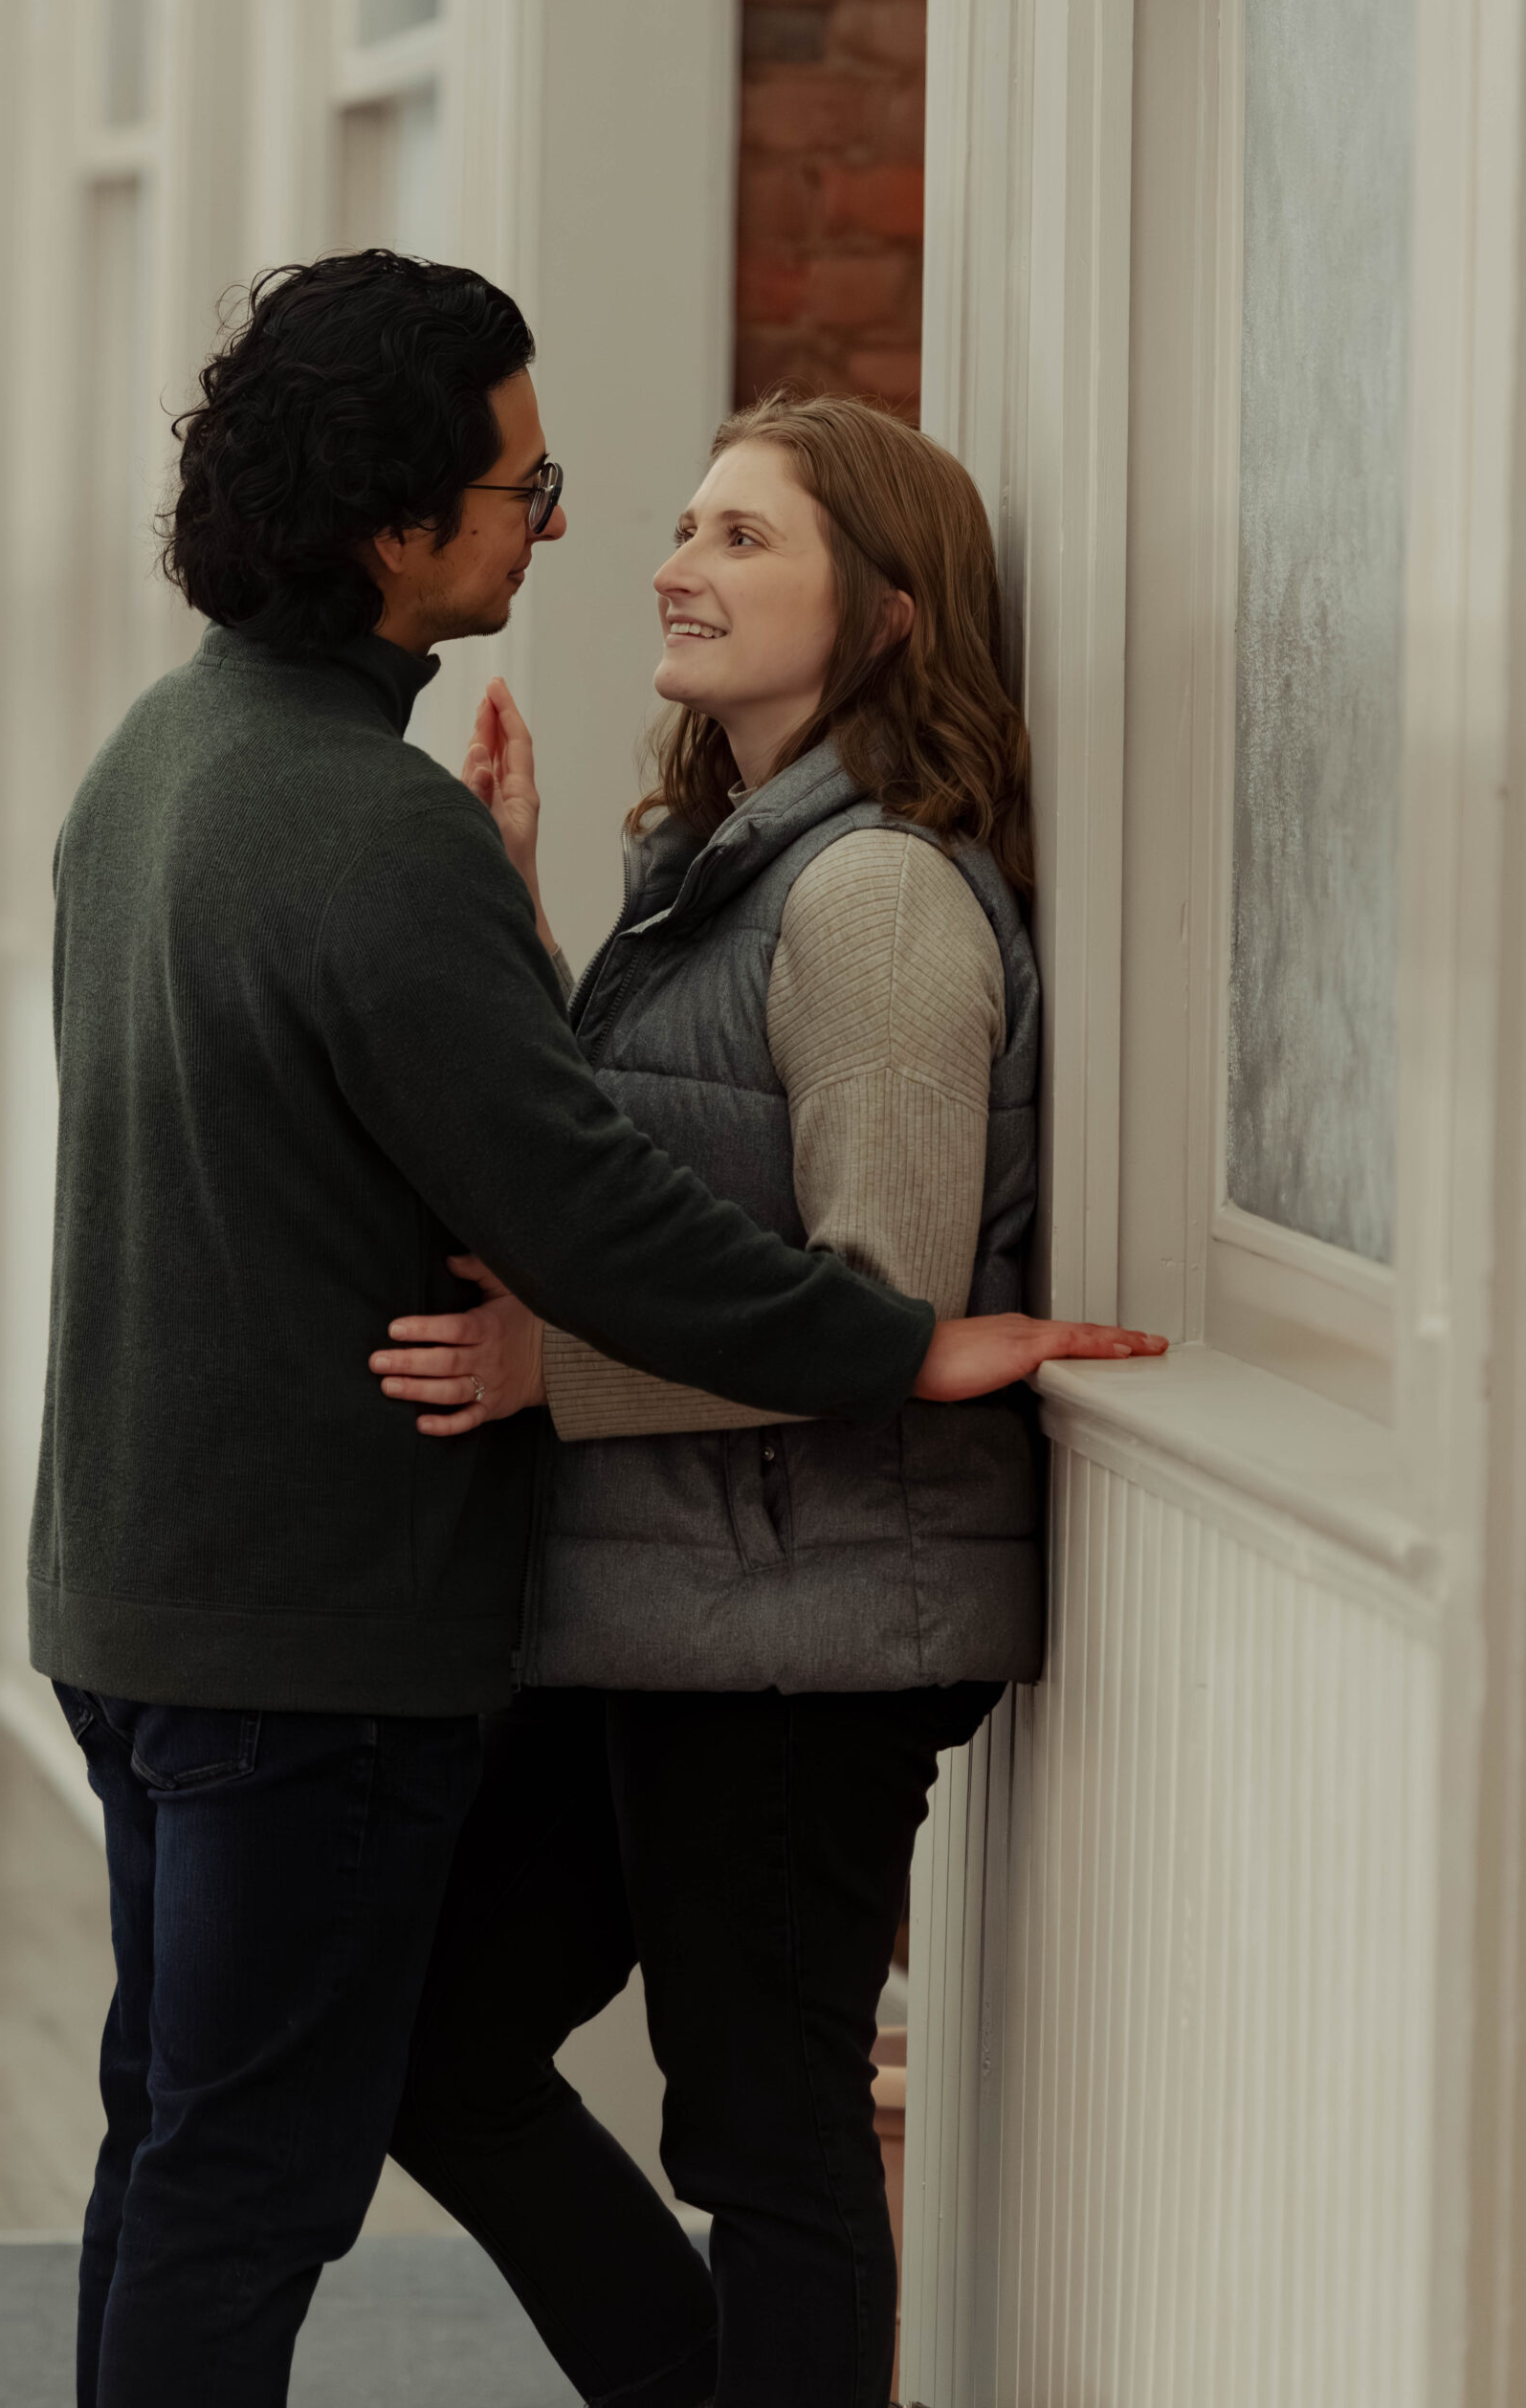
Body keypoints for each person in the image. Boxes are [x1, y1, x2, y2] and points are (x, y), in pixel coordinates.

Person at [31, 253, 1161, 2408]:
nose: (593, 539)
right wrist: (882, 1344)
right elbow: (576, 1189)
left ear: (886, 609)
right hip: (329, 1627)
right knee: (249, 2172)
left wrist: (843, 1331)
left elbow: (592, 1185)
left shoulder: (160, 759)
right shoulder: (418, 833)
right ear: (397, 524)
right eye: (542, 490)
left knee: (206, 2148)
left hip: (233, 1596)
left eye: (734, 528)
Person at [376, 393, 1084, 2408]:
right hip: (662, 1599)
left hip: (803, 1623)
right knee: (437, 2035)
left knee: (767, 2134)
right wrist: (520, 913)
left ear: (885, 614)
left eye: (744, 538)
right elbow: (647, 1181)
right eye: (684, 525)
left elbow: (876, 1305)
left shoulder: (872, 903)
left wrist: (544, 1366)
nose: (675, 562)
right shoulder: (710, 872)